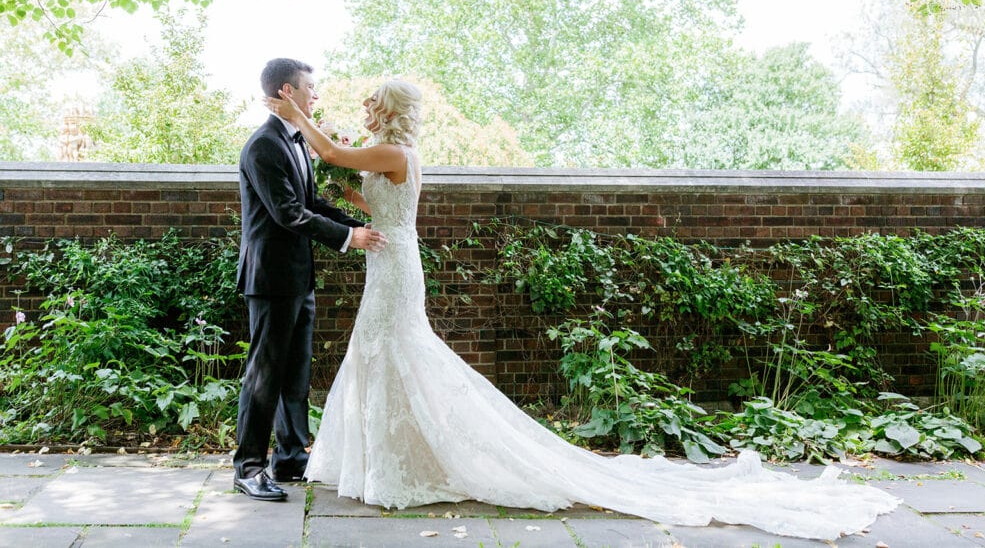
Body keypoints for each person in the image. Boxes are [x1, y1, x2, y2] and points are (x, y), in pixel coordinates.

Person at [265, 79, 901, 540]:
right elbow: (360, 188)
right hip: (388, 256)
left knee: (400, 351)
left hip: (396, 266)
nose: (365, 107)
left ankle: (412, 463)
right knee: (381, 353)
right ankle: (393, 459)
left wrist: (297, 112)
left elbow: (334, 157)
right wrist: (339, 188)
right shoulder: (389, 158)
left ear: (392, 112)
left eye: (374, 102)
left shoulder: (395, 154)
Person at [233, 58, 388, 502]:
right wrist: (346, 238)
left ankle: (289, 457)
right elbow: (288, 214)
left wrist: (358, 224)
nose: (315, 96)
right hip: (271, 279)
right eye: (309, 88)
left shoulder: (296, 141)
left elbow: (312, 201)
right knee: (265, 375)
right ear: (287, 92)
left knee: (296, 374)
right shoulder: (263, 145)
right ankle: (248, 467)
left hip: (300, 278)